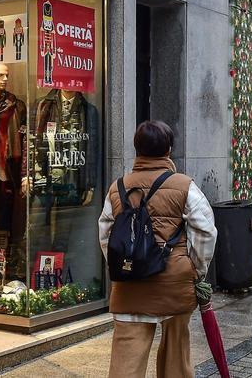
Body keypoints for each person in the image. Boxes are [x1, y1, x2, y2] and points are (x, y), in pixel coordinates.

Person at [99, 121, 216, 378]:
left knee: (125, 362)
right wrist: (196, 269)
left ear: (136, 148)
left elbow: (106, 233)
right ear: (169, 149)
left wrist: (124, 266)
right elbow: (206, 231)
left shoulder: (117, 188)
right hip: (174, 285)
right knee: (176, 357)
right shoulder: (185, 186)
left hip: (130, 287)